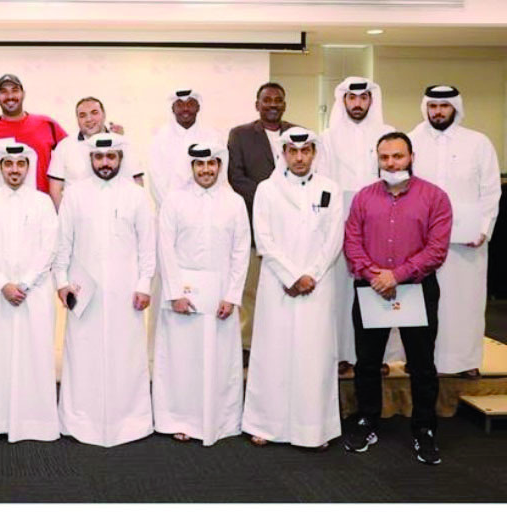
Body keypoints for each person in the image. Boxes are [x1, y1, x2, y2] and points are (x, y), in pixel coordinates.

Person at [342, 132, 452, 465]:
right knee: (367, 361)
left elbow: (437, 249)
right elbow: (352, 242)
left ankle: (424, 429)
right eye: (385, 157)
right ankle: (367, 420)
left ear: (411, 156)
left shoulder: (435, 197)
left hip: (417, 288)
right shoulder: (363, 197)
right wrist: (376, 275)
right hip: (371, 287)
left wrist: (397, 275)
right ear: (377, 159)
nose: (391, 163)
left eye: (398, 156)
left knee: (421, 364)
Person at [241, 128, 343, 450]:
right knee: (273, 354)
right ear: (283, 154)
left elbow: (333, 239)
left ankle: (313, 429)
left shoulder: (330, 189)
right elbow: (265, 240)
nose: (299, 158)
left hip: (318, 284)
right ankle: (264, 425)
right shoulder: (267, 190)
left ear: (314, 153)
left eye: (306, 151)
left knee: (314, 356)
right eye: (293, 151)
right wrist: (291, 276)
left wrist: (310, 275)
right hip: (277, 285)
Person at [53, 133, 156, 447]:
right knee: (82, 356)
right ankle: (79, 422)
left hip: (127, 293)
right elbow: (63, 244)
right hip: (85, 293)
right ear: (91, 160)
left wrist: (143, 285)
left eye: (111, 157)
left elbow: (147, 247)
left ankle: (130, 423)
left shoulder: (137, 196)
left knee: (126, 356)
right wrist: (60, 282)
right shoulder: (75, 195)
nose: (105, 163)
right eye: (99, 158)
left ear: (121, 159)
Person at [152, 142, 250, 446]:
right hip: (184, 299)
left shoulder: (233, 203)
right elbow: (165, 249)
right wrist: (175, 293)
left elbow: (241, 250)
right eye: (199, 164)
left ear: (219, 166)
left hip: (220, 298)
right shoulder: (174, 201)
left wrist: (232, 295)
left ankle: (219, 421)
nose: (206, 170)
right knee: (183, 361)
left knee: (220, 361)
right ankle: (180, 420)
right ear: (191, 167)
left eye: (211, 164)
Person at [408, 85, 501, 378]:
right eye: (433, 106)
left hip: (467, 242)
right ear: (426, 108)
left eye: (444, 106)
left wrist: (484, 229)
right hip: (420, 242)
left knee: (465, 302)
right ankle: (419, 360)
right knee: (419, 303)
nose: (438, 112)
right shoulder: (411, 140)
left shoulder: (478, 142)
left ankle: (465, 361)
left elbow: (490, 190)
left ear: (455, 108)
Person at [0, 142, 59, 442]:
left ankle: (36, 423)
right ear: (0, 167)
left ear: (28, 167)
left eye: (20, 164)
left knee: (35, 354)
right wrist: (3, 283)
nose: (13, 170)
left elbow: (50, 247)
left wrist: (24, 282)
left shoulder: (43, 202)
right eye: (8, 164)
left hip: (34, 292)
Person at [318, 77, 401, 375]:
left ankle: (374, 356)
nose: (357, 104)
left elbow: (395, 177)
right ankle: (340, 353)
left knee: (375, 287)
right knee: (340, 291)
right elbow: (323, 185)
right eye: (351, 98)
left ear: (371, 100)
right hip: (339, 224)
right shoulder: (326, 137)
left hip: (380, 223)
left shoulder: (387, 133)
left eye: (363, 97)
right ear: (342, 100)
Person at [227, 82, 297, 348]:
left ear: (284, 105)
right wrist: (271, 197)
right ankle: (248, 345)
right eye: (267, 100)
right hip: (254, 224)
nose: (272, 105)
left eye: (278, 100)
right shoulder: (240, 135)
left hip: (291, 228)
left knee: (286, 287)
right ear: (257, 105)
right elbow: (236, 177)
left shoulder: (297, 133)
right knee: (251, 290)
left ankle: (282, 344)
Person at [0, 73, 67, 195]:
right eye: (4, 92)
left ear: (23, 94)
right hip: (2, 207)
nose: (10, 96)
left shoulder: (47, 124)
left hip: (42, 206)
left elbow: (70, 155)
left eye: (15, 91)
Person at [47, 96, 141, 210]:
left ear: (104, 115)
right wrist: (67, 218)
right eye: (82, 115)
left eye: (94, 113)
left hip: (119, 215)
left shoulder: (123, 143)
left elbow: (137, 181)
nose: (89, 119)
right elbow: (55, 189)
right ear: (77, 119)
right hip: (79, 216)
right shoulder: (65, 146)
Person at [147, 89, 221, 205]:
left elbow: (218, 175)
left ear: (198, 108)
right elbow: (156, 181)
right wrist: (171, 209)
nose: (185, 109)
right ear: (173, 109)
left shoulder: (212, 137)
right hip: (169, 210)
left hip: (206, 208)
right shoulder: (159, 139)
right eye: (180, 105)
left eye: (190, 104)